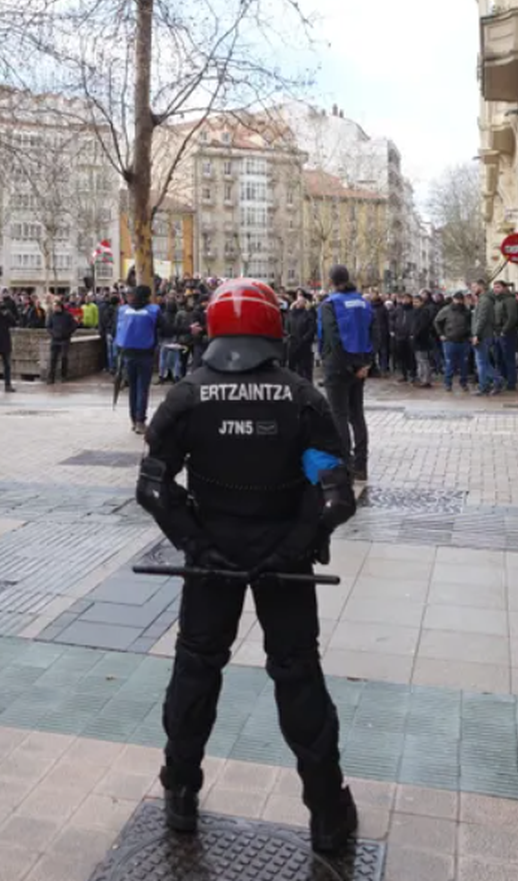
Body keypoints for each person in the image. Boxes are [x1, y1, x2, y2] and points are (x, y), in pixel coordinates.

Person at [138, 279, 359, 851]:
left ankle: (181, 791)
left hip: (212, 558)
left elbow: (155, 488)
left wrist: (196, 543)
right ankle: (327, 811)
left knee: (195, 670)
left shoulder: (186, 396)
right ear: (272, 327)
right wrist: (295, 542)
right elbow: (334, 492)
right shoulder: (300, 397)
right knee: (297, 675)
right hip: (283, 561)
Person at [316, 266, 373, 481]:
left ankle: (345, 464)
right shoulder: (363, 302)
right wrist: (365, 364)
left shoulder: (329, 304)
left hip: (337, 365)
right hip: (361, 363)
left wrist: (348, 365)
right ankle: (361, 465)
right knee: (357, 415)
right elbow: (373, 333)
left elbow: (332, 338)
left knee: (338, 415)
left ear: (331, 281)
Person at [117, 285, 161, 433]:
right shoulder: (153, 310)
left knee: (133, 389)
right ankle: (140, 421)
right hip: (145, 353)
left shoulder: (123, 310)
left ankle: (133, 419)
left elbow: (115, 329)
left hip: (127, 353)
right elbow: (166, 328)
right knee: (143, 388)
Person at [284, 291, 317, 382]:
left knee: (305, 369)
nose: (298, 303)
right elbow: (286, 327)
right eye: (297, 302)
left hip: (304, 346)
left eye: (300, 302)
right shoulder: (291, 314)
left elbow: (312, 329)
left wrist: (304, 339)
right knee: (292, 368)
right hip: (292, 345)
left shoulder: (308, 314)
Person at [47, 299, 76, 384]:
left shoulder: (67, 315)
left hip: (64, 339)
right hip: (55, 339)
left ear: (60, 307)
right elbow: (48, 327)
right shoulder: (52, 316)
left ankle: (63, 376)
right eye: (54, 307)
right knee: (53, 359)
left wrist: (68, 333)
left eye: (56, 306)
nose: (54, 308)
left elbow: (74, 325)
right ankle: (51, 377)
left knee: (64, 357)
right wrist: (53, 333)